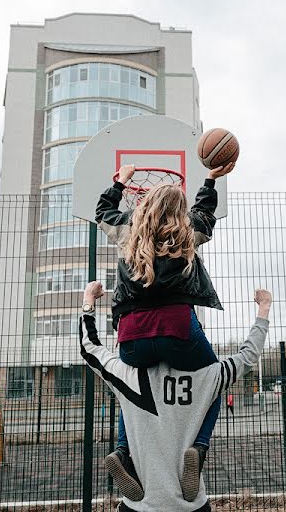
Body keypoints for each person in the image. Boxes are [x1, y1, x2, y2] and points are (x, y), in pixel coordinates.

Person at [95, 162, 234, 501]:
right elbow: (205, 212)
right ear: (179, 211)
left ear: (145, 205)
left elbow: (103, 212)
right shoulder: (188, 233)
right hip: (177, 330)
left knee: (133, 391)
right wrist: (211, 177)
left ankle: (124, 453)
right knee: (216, 381)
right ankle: (197, 449)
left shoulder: (128, 232)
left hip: (131, 337)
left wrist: (121, 182)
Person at [79, 281, 271, 512]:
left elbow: (89, 347)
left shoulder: (127, 376)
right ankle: (200, 446)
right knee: (216, 392)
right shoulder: (207, 377)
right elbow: (248, 357)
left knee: (126, 401)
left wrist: (89, 300)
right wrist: (264, 308)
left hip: (139, 506)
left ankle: (123, 452)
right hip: (190, 506)